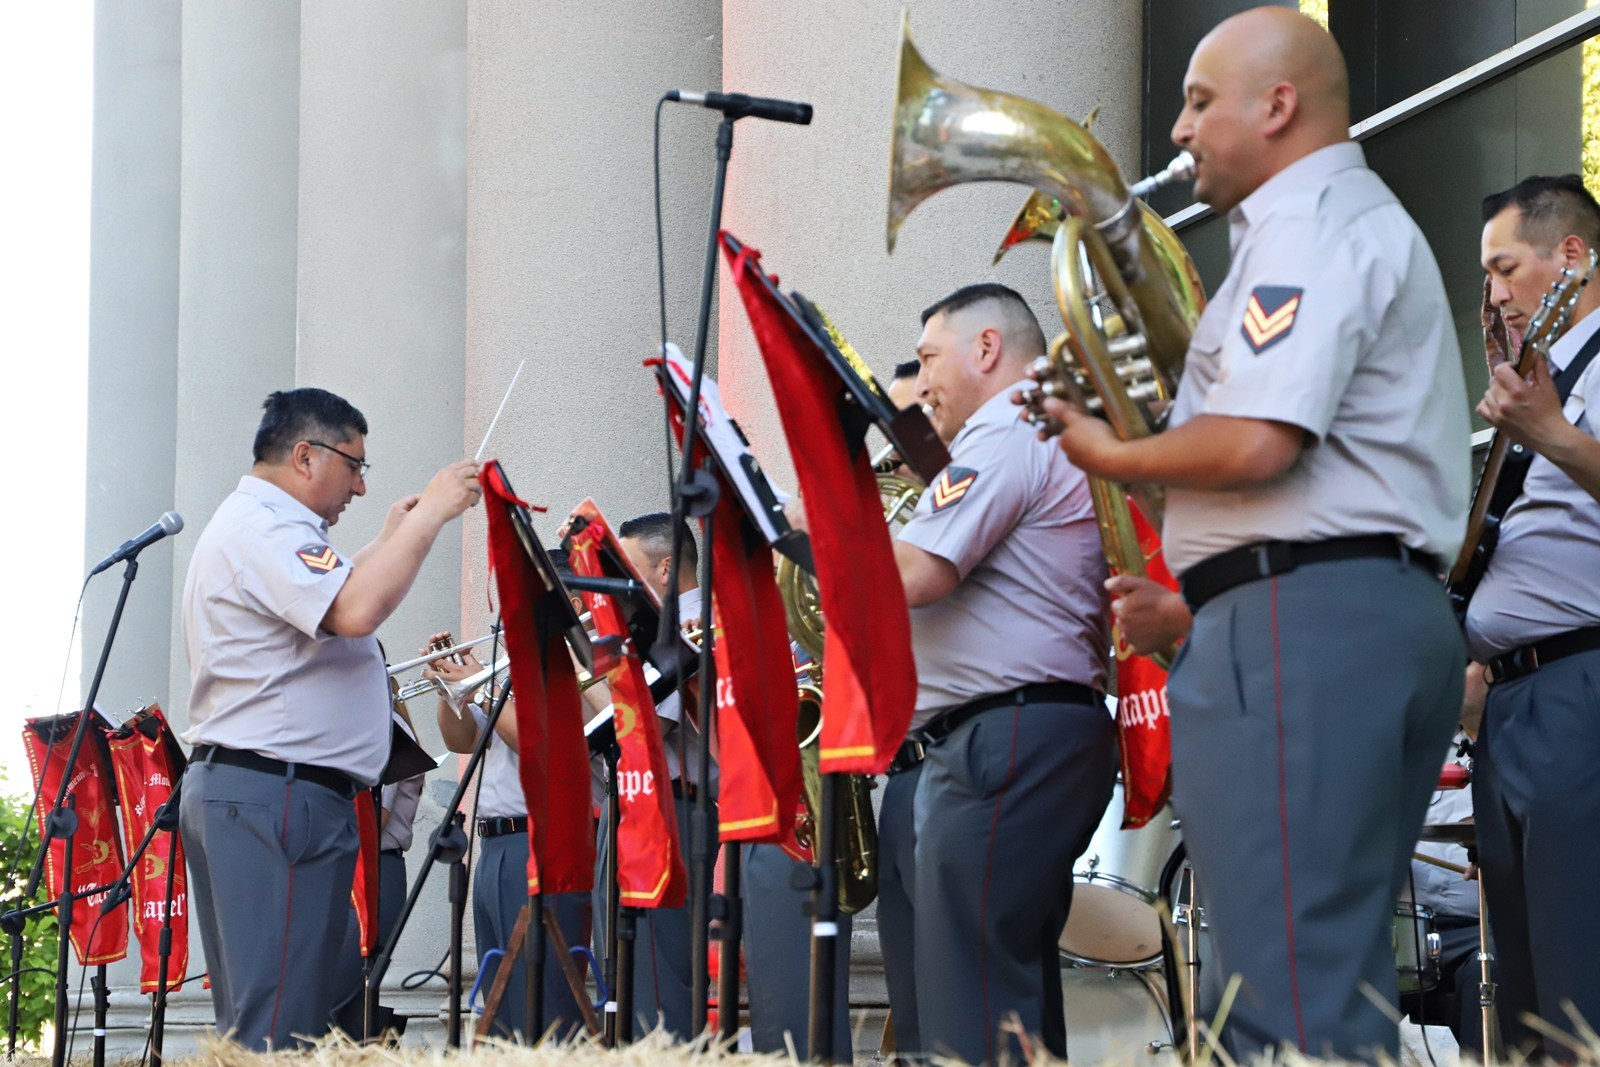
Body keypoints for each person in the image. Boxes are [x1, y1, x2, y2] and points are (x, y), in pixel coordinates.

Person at [1041, 9, 1469, 1061]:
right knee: (1313, 961)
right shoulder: (1316, 227)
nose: (1179, 131)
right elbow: (1329, 486)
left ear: (1277, 106)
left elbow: (1257, 445)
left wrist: (1105, 450)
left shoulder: (1312, 225)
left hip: (1308, 625)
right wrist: (1197, 598)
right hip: (1322, 614)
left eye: (1198, 101)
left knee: (1282, 985)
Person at [178, 387, 480, 1050]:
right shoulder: (267, 526)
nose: (361, 486)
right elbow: (353, 611)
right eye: (356, 465)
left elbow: (339, 592)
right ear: (306, 456)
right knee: (278, 1025)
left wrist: (389, 541)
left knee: (278, 1012)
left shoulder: (262, 526)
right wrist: (430, 516)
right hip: (277, 794)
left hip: (264, 790)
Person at [885, 282, 1116, 1064]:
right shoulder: (1034, 425)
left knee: (972, 1005)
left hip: (1001, 734)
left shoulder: (1007, 424)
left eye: (926, 361)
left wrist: (810, 522)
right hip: (1023, 730)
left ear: (986, 349)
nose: (919, 390)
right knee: (1004, 1000)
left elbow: (917, 572)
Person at [1466, 173, 1600, 1056]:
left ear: (1573, 258)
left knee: (1579, 979)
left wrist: (1549, 431)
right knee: (1524, 1005)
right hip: (1512, 706)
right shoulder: (1538, 384)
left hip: (1579, 692)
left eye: (1506, 267)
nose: (1494, 293)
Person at [587, 512, 713, 1038]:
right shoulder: (651, 627)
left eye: (631, 569)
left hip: (670, 806)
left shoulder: (689, 625)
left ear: (664, 569)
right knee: (623, 974)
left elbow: (640, 726)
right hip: (635, 802)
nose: (623, 584)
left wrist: (593, 663)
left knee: (657, 982)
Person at [426, 639, 591, 1041]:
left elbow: (540, 744)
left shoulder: (576, 666)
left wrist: (481, 688)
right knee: (499, 1002)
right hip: (494, 843)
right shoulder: (510, 668)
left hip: (540, 838)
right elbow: (461, 740)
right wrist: (452, 690)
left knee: (542, 999)